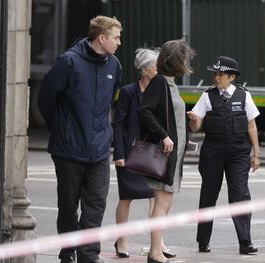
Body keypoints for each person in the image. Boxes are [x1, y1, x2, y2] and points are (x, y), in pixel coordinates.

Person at [38, 15, 122, 263]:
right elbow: (46, 99)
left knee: (95, 206)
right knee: (68, 206)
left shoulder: (114, 65)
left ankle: (88, 255)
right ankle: (67, 253)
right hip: (68, 150)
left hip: (98, 151)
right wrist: (62, 129)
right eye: (116, 37)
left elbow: (111, 101)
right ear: (102, 38)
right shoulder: (69, 62)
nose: (119, 42)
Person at [187, 56, 261, 255]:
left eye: (220, 74)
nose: (216, 77)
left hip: (238, 152)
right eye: (215, 74)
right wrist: (193, 120)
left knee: (240, 195)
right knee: (208, 194)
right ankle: (203, 241)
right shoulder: (207, 96)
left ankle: (245, 242)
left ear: (231, 77)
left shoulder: (244, 95)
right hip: (213, 151)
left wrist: (257, 154)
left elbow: (251, 125)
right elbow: (196, 126)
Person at [138, 39, 195, 263]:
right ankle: (154, 252)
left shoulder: (168, 83)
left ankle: (157, 249)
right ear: (176, 60)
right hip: (166, 153)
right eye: (183, 57)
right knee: (162, 202)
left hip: (174, 154)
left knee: (165, 202)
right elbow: (145, 111)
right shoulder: (160, 82)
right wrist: (164, 135)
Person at [111, 48, 159, 258]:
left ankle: (158, 243)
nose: (159, 68)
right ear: (144, 69)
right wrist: (119, 153)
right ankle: (121, 240)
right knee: (126, 198)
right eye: (156, 65)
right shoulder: (129, 91)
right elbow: (118, 123)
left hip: (154, 151)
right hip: (131, 151)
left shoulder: (160, 89)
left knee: (156, 198)